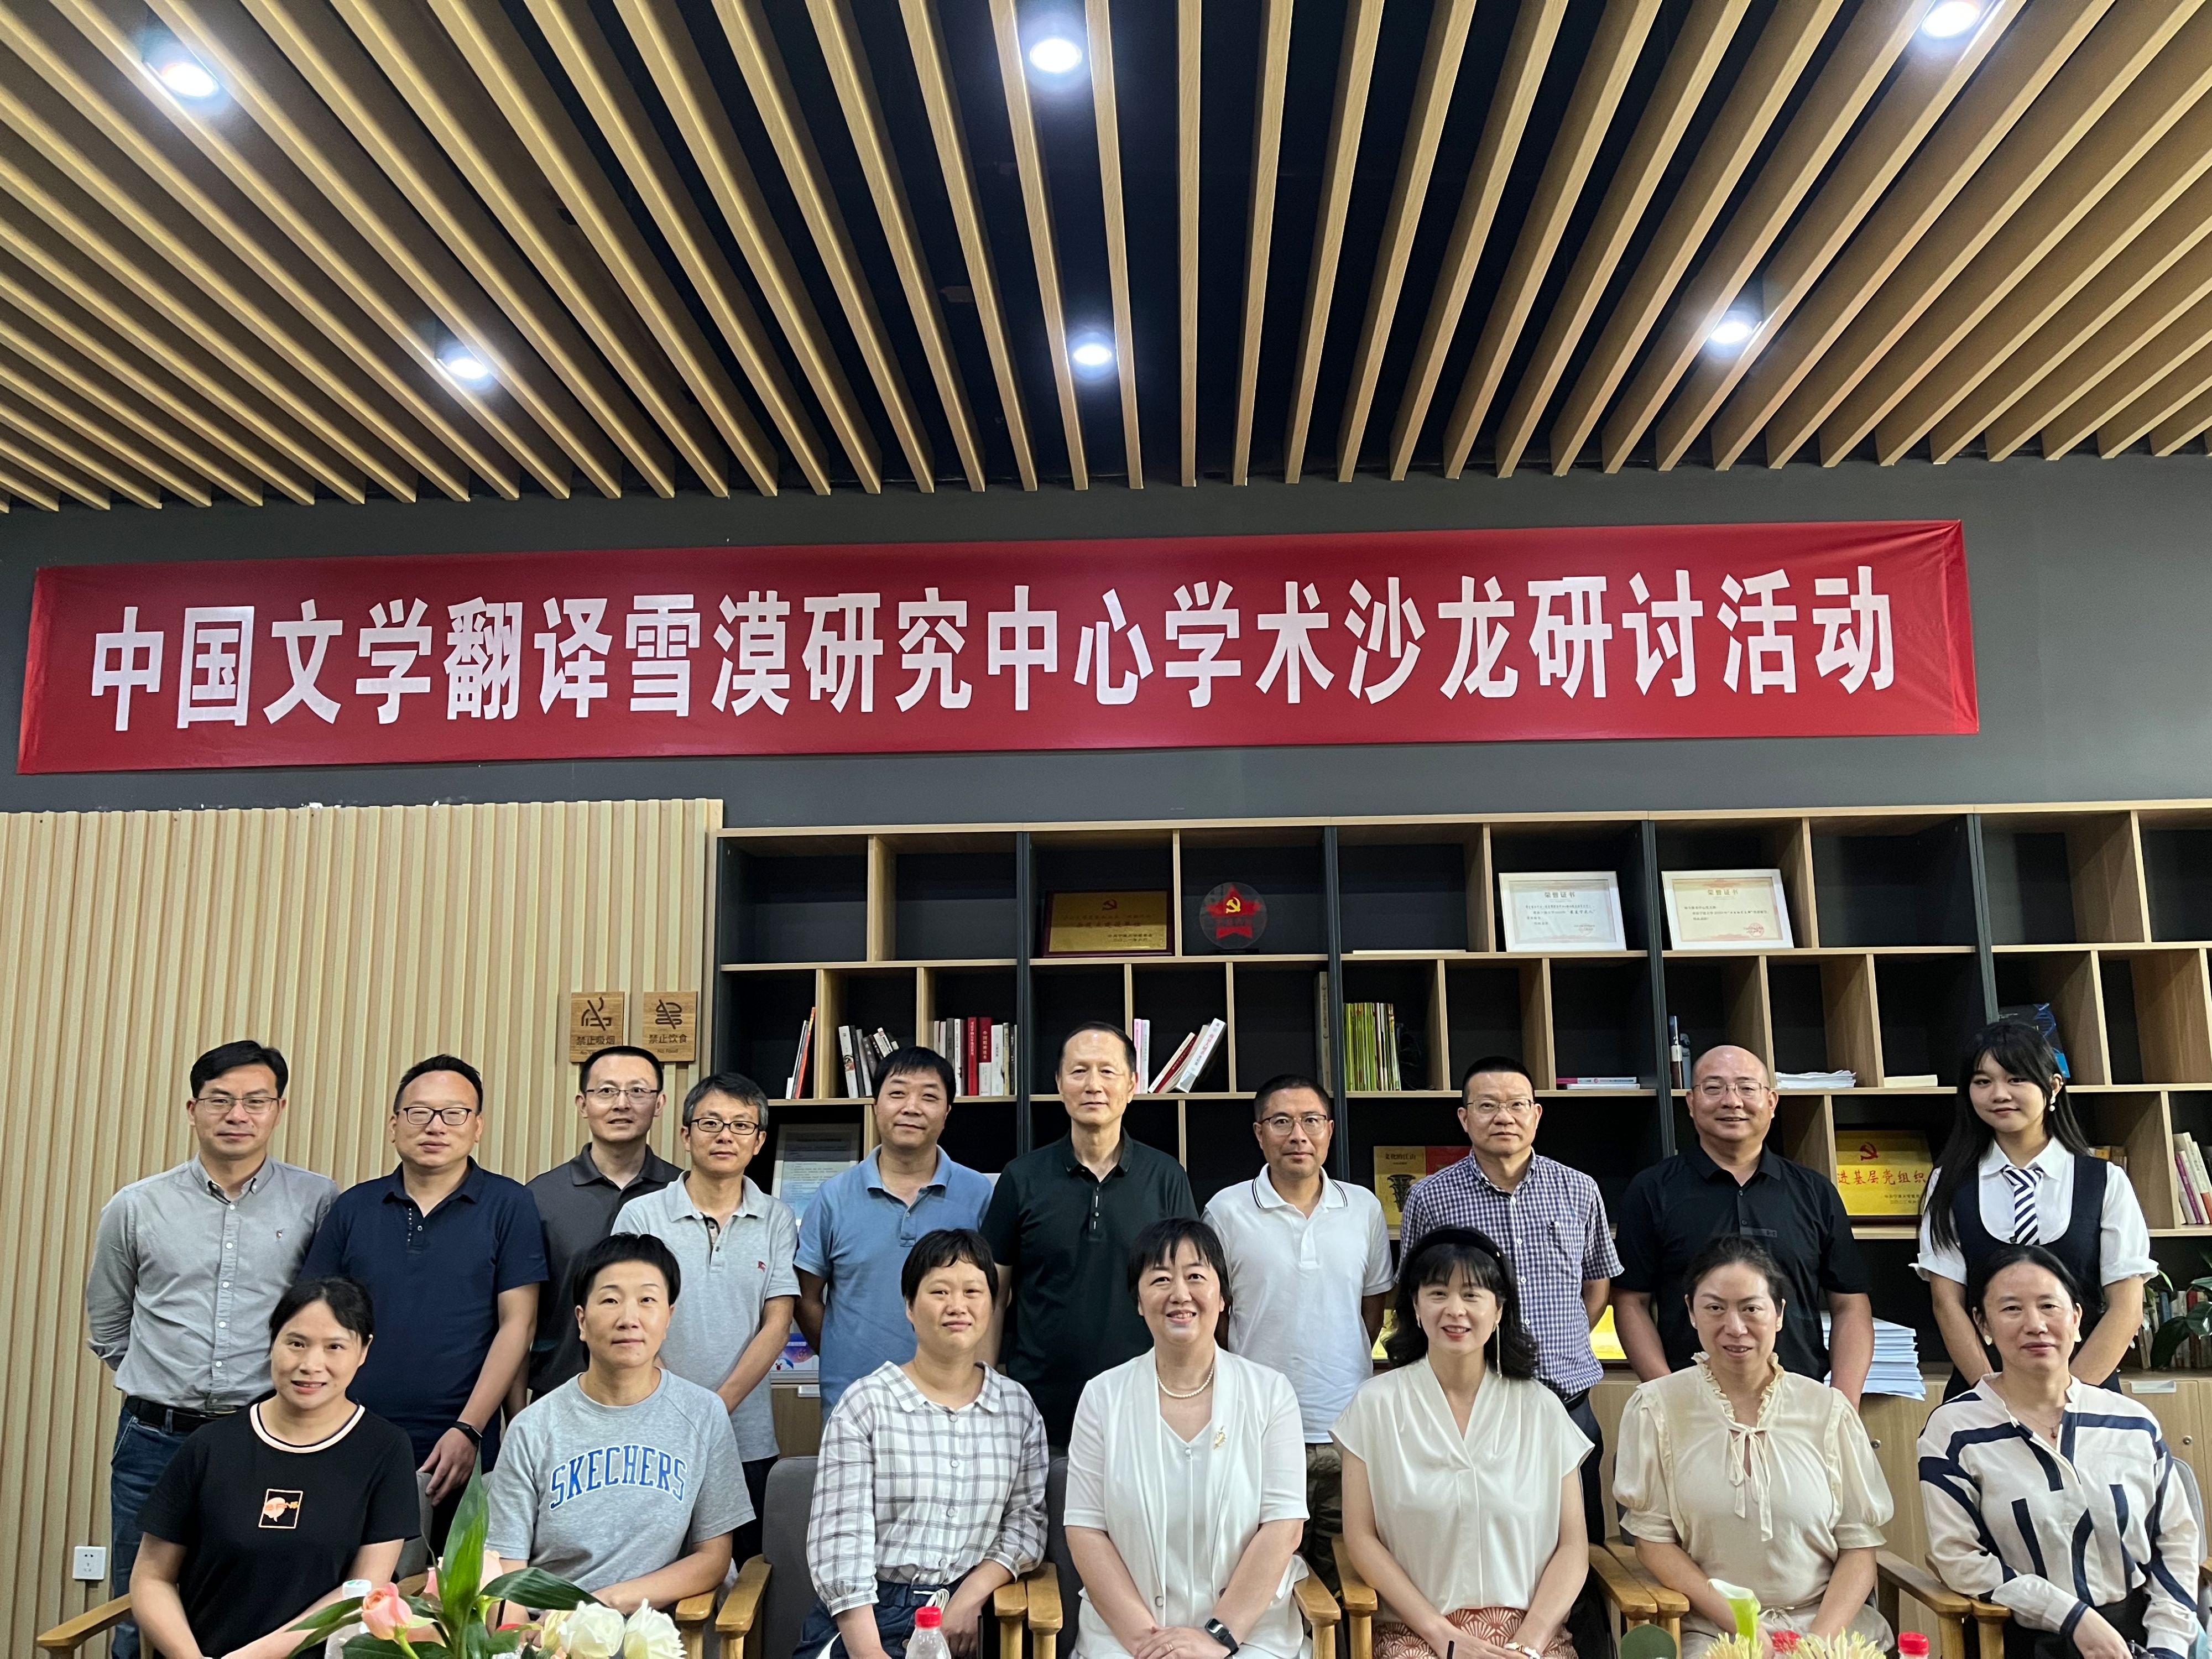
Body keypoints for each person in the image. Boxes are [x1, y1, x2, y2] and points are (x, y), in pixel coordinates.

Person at [86, 1039, 336, 1659]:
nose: (237, 1115)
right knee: (137, 1608)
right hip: (155, 1438)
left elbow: (326, 1316)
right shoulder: (137, 1206)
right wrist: (164, 1380)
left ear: (279, 1110)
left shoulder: (318, 1202)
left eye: (255, 1101)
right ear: (192, 1109)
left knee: (257, 1605)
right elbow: (109, 1325)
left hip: (267, 1439)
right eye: (220, 1100)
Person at [300, 1053, 545, 1560]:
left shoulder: (509, 1205)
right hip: (352, 1436)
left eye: (454, 1113)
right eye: (419, 1112)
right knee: (357, 1588)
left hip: (463, 1443)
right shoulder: (354, 1207)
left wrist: (470, 1429)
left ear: (477, 1127)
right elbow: (316, 1321)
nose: (436, 1126)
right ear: (394, 1125)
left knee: (448, 1594)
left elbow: (517, 1326)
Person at [1613, 1236, 1893, 1659]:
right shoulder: (1656, 1408)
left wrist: (1815, 1644)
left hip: (1829, 1629)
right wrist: (1746, 1628)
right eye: (1715, 1308)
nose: (1735, 1327)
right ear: (1690, 1311)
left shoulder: (1828, 1410)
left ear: (1778, 1314)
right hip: (1716, 1633)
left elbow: (1859, 1546)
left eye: (1751, 1309)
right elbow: (1653, 1544)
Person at [1919, 1245, 2203, 1659]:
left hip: (2141, 1637)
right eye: (2012, 1309)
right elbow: (1958, 1559)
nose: (2035, 1325)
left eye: (2049, 1306)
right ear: (1983, 1323)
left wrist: (2168, 1647)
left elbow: (2176, 1544)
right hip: (2021, 1640)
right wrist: (2071, 1616)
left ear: (2076, 1319)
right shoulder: (1954, 1431)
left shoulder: (2132, 1423)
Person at [1334, 1227, 1592, 1659]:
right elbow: (1360, 1538)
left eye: (1472, 1295)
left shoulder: (1541, 1408)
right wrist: (1441, 1635)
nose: (1455, 1310)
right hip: (1415, 1632)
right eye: (1438, 1293)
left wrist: (1529, 1642)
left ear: (1499, 1309)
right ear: (1416, 1307)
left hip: (1530, 1634)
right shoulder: (1375, 1406)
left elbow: (1573, 1547)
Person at [128, 1277, 419, 1659]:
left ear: (363, 1350)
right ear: (272, 1343)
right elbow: (152, 1577)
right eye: (296, 1343)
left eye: (335, 1347)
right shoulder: (210, 1445)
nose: (310, 1365)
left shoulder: (385, 1449)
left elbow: (361, 1590)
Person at [1065, 1218, 1310, 1659]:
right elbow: (1086, 1530)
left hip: (1249, 1636)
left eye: (1196, 1276)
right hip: (1126, 1640)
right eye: (1161, 1279)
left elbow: (1283, 1526)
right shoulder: (1102, 1397)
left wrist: (1218, 1636)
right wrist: (1148, 1643)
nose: (1180, 1294)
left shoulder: (1270, 1393)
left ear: (1223, 1295)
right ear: (1139, 1302)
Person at [1397, 1055, 1620, 1540]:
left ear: (1536, 1114)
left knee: (1578, 1542)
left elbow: (1597, 1282)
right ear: (1464, 1117)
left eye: (1517, 1105)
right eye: (1488, 1106)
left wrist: (1564, 1334)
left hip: (1566, 1401)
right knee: (1481, 1542)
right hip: (1471, 1410)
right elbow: (1415, 1291)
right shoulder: (1430, 1198)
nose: (1504, 1117)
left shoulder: (1579, 1190)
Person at [803, 1229, 1048, 1659]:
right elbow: (841, 1544)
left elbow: (1026, 1525)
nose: (957, 1306)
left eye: (973, 1291)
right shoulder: (866, 1404)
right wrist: (871, 1652)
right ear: (909, 1306)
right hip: (869, 1619)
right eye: (939, 1291)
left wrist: (970, 1596)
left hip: (969, 1620)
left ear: (995, 1303)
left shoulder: (1017, 1409)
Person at [489, 1233, 749, 1612]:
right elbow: (507, 1573)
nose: (629, 1319)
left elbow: (713, 1558)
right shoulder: (533, 1428)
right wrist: (524, 1638)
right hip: (550, 1633)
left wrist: (606, 1603)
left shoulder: (703, 1415)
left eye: (647, 1301)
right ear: (581, 1320)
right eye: (610, 1300)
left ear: (669, 1317)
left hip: (660, 1633)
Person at [1204, 1074, 1390, 1591]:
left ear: (1329, 1129)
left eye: (1311, 1120)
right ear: (1259, 1133)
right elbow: (1216, 1317)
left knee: (1348, 1584)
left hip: (1346, 1432)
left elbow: (1371, 1311)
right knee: (1258, 1581)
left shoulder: (1364, 1208)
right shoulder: (1226, 1211)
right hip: (1256, 1432)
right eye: (1281, 1122)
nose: (1298, 1135)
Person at [1615, 1044, 1875, 1403]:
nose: (1732, 1101)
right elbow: (1631, 1302)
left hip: (1801, 1399)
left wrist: (1842, 1404)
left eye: (1747, 1088)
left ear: (1771, 1101)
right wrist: (1668, 1399)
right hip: (1690, 1403)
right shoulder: (1651, 1190)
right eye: (1714, 1088)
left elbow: (1850, 1304)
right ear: (1691, 1102)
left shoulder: (1815, 1192)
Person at [613, 1071, 797, 1567]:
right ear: (685, 1133)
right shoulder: (642, 1216)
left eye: (741, 1125)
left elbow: (777, 1324)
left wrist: (714, 1408)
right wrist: (683, 1409)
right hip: (654, 1430)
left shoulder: (777, 1217)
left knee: (747, 1575)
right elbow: (627, 1322)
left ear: (759, 1141)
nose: (725, 1136)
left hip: (747, 1439)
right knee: (654, 1571)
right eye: (711, 1123)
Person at [982, 1023, 1198, 1444]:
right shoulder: (1021, 1178)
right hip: (1035, 1407)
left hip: (1143, 1402)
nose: (1093, 1085)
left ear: (1132, 1085)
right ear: (1059, 1084)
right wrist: (986, 1390)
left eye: (1107, 1071)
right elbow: (992, 1295)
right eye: (1079, 1071)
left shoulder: (1166, 1177)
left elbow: (1187, 1293)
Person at [1918, 1020, 2152, 1398]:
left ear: (2054, 1086)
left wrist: (2068, 1398)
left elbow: (2126, 1307)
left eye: (2016, 1079)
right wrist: (1995, 1399)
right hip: (1982, 1395)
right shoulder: (1948, 1184)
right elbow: (1947, 1303)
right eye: (1982, 1082)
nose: (1999, 1094)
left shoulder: (2104, 1180)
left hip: (2087, 1391)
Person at [797, 1046, 995, 1415]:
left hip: (954, 1401)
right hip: (853, 1401)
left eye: (929, 1097)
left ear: (947, 1113)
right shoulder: (833, 1197)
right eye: (898, 1093)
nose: (912, 1107)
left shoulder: (979, 1194)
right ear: (876, 1104)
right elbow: (806, 1298)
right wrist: (843, 1354)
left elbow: (996, 1296)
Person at [524, 1044, 682, 1399]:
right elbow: (520, 1318)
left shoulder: (682, 1192)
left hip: (663, 1397)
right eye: (607, 1091)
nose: (622, 1104)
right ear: (583, 1104)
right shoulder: (539, 1198)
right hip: (560, 1395)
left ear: (659, 1104)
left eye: (637, 1091)